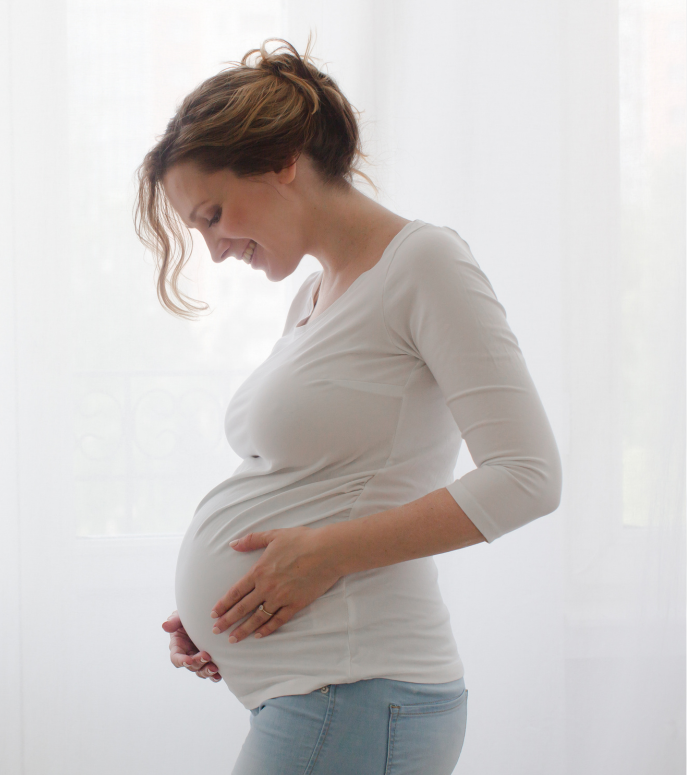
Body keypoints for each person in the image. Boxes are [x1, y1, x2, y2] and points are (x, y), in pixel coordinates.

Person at [134, 39, 562, 775]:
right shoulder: (313, 293)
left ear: (282, 161)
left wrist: (320, 557)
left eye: (211, 214)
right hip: (323, 689)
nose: (211, 249)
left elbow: (527, 475)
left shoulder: (424, 262)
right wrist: (230, 610)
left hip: (361, 688)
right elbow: (330, 475)